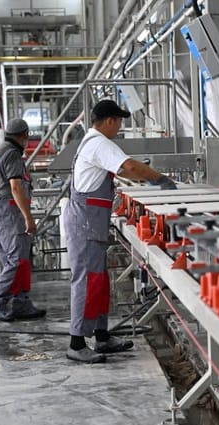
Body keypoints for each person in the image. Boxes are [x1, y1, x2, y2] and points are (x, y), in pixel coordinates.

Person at [64, 99, 176, 363]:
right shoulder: (99, 143)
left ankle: (102, 337)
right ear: (110, 121)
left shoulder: (91, 142)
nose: (119, 128)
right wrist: (159, 179)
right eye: (119, 122)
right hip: (86, 224)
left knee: (99, 281)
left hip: (90, 223)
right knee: (87, 281)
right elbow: (131, 168)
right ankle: (76, 343)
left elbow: (123, 173)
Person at [0, 118, 46, 321]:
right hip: (11, 213)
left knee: (17, 260)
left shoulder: (2, 150)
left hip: (3, 211)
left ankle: (21, 303)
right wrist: (28, 217)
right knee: (16, 260)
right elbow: (16, 187)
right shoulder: (12, 154)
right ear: (25, 134)